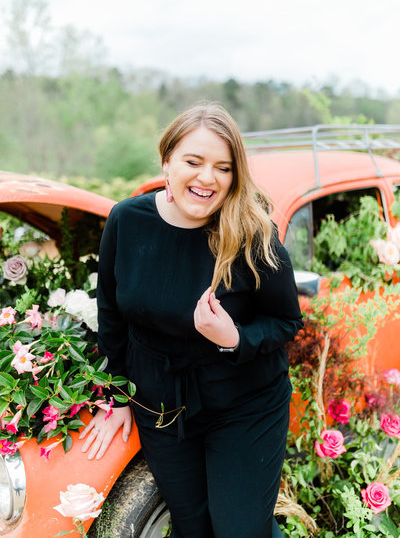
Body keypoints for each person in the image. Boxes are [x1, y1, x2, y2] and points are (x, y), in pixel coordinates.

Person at [80, 102, 303, 538]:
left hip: (245, 405)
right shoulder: (127, 221)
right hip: (161, 407)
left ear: (234, 176)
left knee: (240, 530)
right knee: (192, 528)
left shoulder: (252, 233)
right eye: (193, 161)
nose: (207, 178)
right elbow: (111, 314)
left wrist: (233, 337)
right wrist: (118, 395)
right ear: (167, 161)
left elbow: (286, 322)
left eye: (223, 167)